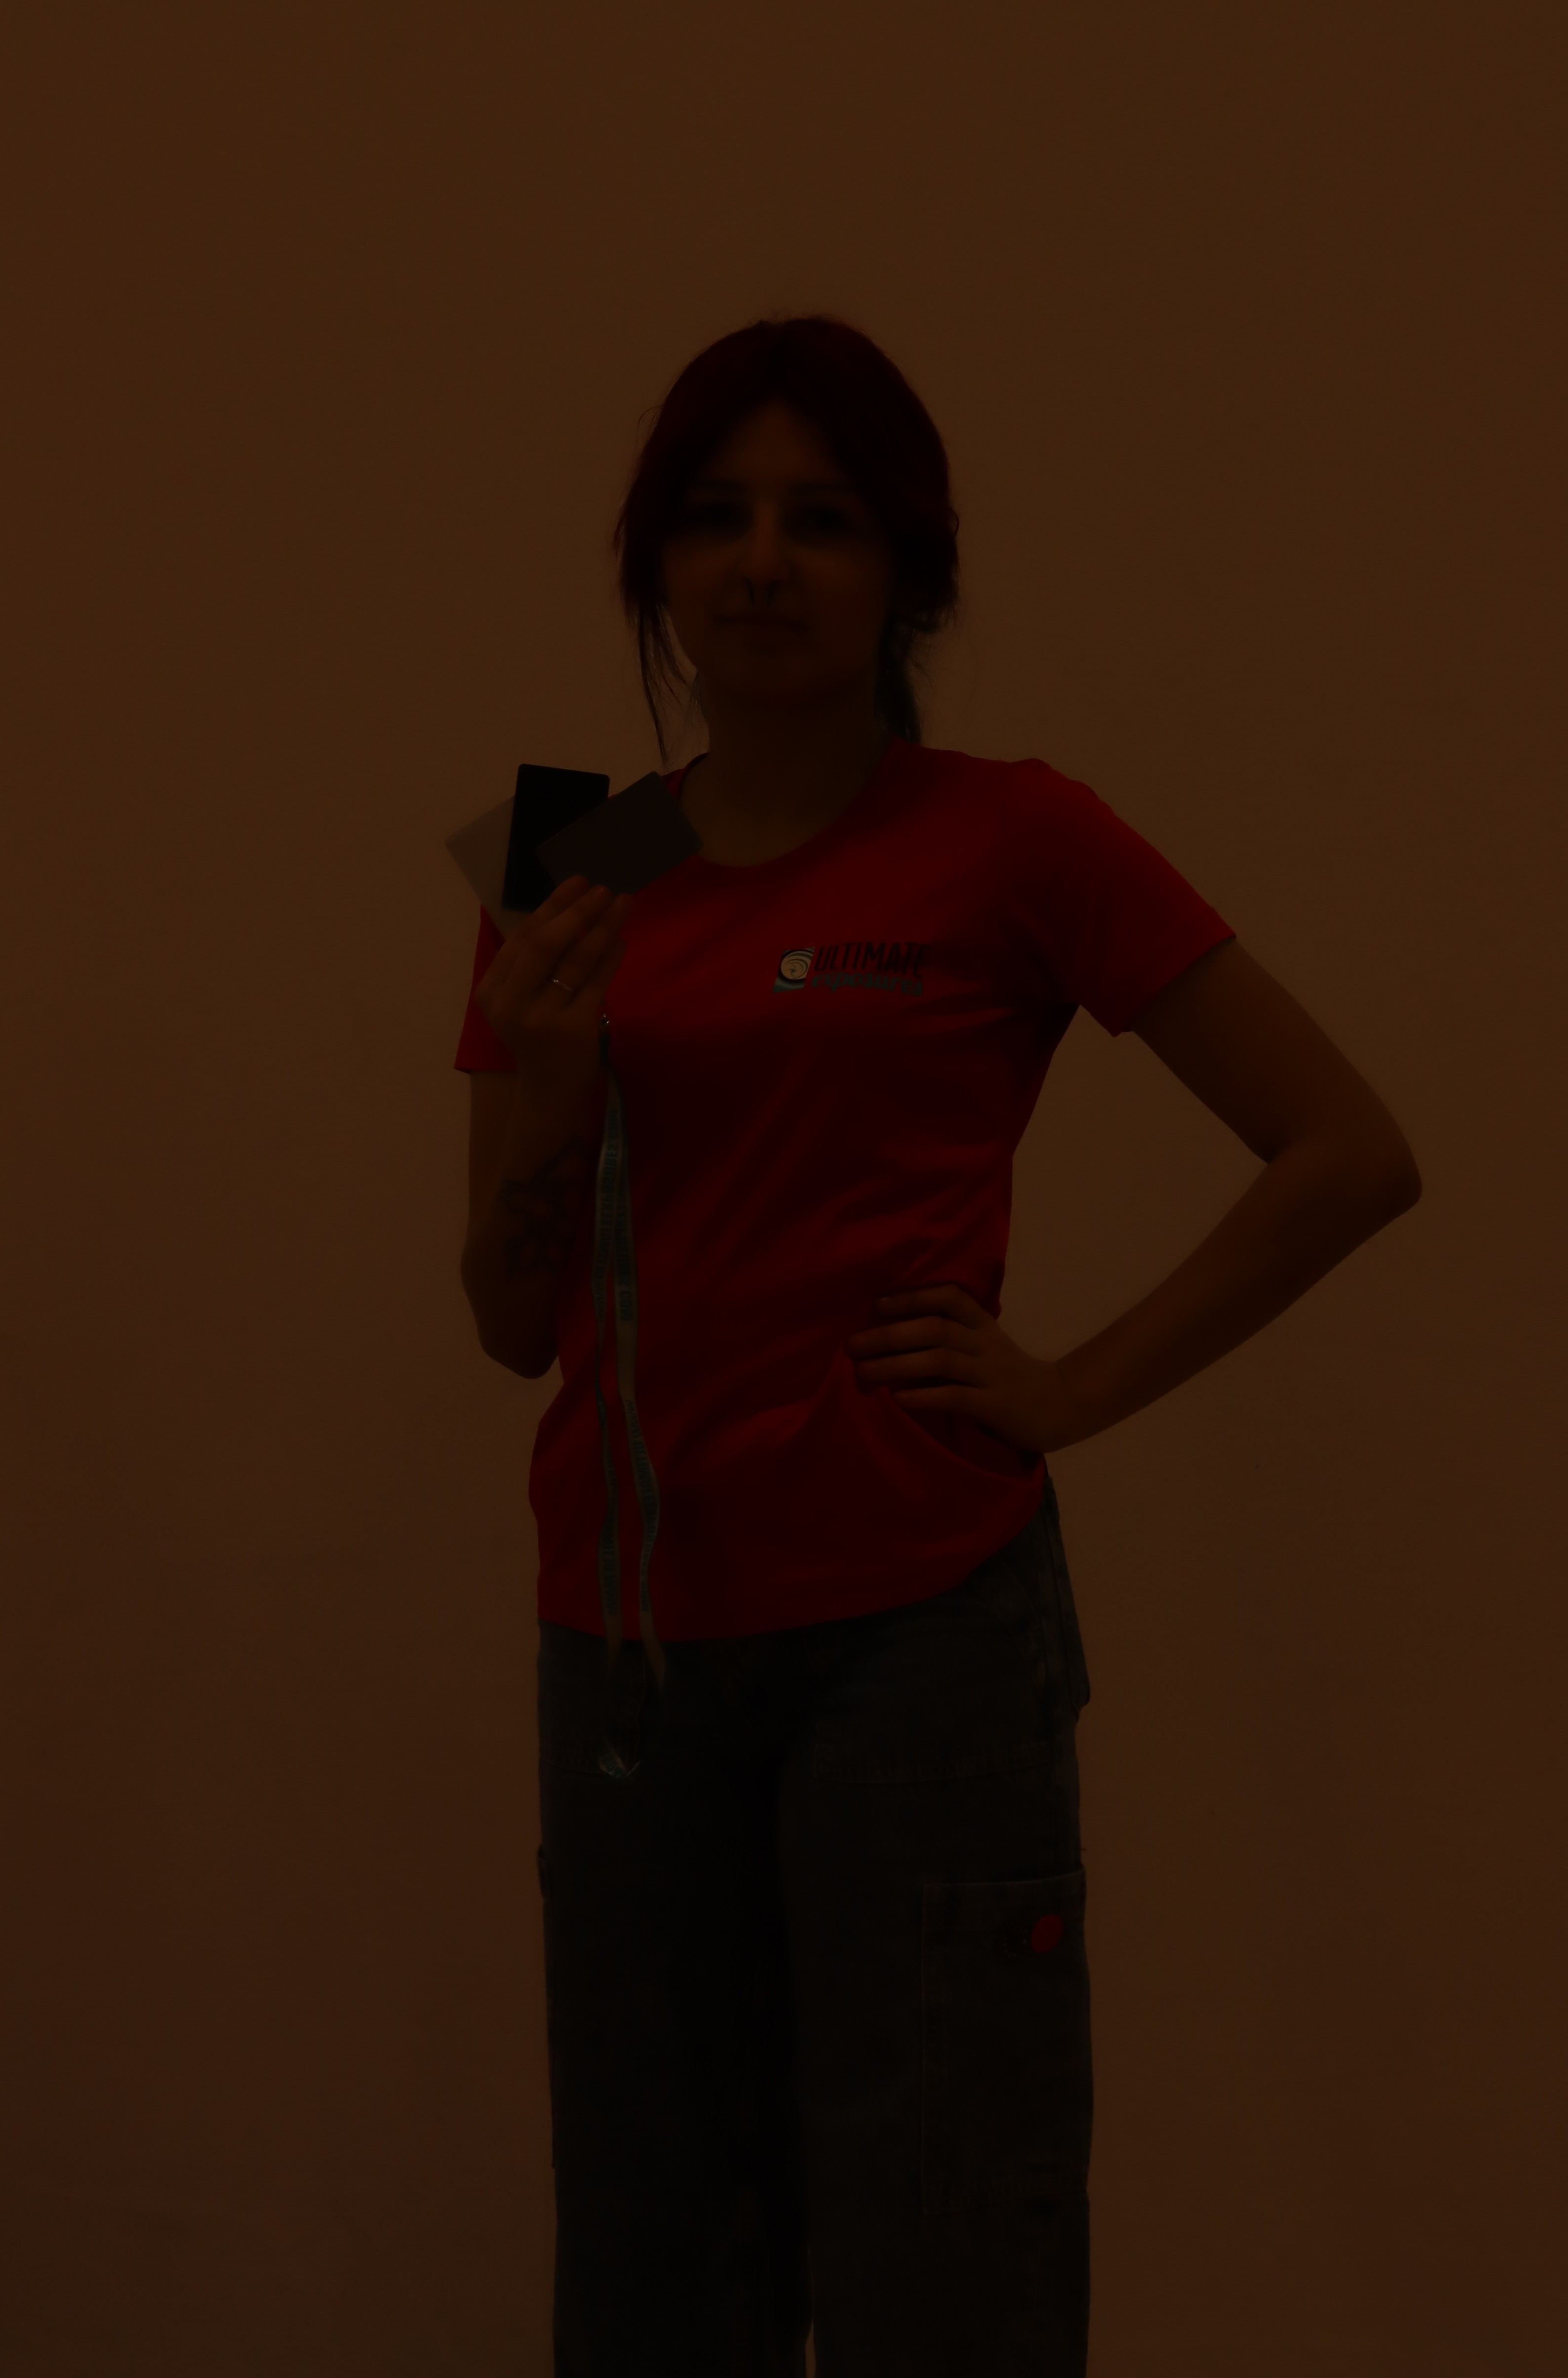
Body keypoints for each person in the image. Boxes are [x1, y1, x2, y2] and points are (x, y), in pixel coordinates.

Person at [455, 316, 1420, 2378]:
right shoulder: (571, 861)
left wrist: (1070, 1387)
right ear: (653, 563)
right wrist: (539, 1084)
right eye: (714, 516)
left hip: (917, 1640)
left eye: (822, 519)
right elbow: (505, 1324)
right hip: (621, 1648)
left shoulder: (1008, 833)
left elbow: (1346, 1151)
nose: (760, 563)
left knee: (947, 2263)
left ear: (907, 570)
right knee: (653, 2283)